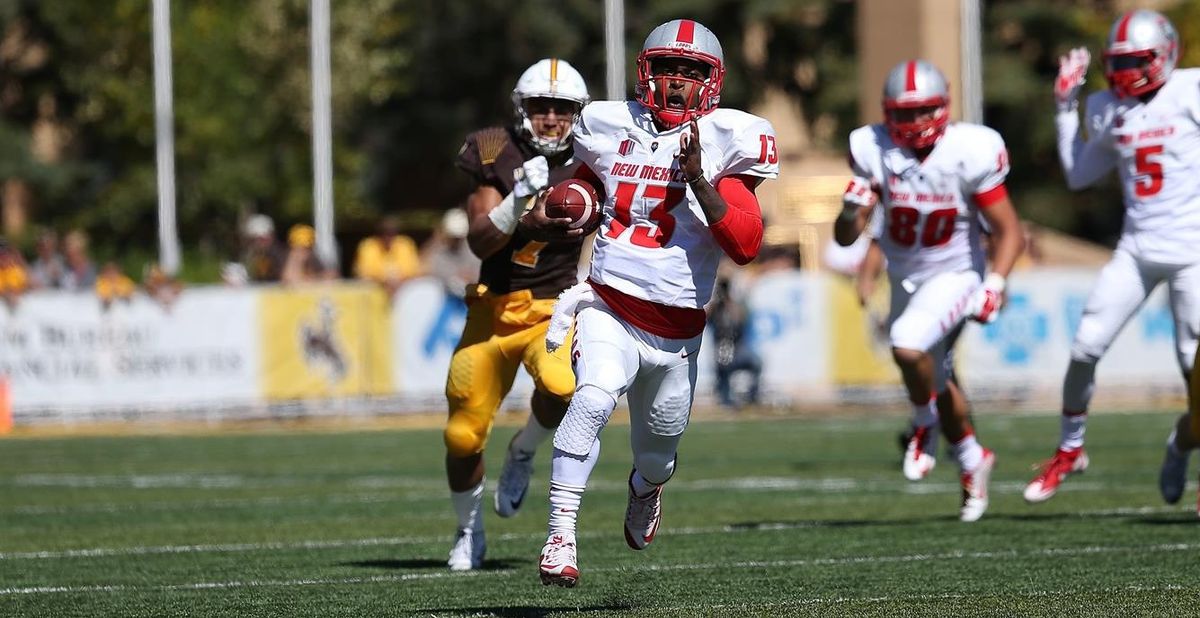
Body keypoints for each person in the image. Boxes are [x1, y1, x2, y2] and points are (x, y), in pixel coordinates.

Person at [524, 20, 778, 587]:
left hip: (677, 331)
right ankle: (560, 537)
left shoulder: (727, 139)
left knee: (657, 455)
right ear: (647, 73)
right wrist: (569, 203)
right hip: (608, 304)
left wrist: (699, 183)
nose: (678, 83)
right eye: (668, 69)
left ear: (711, 82)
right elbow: (584, 184)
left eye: (691, 73)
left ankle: (645, 488)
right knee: (590, 399)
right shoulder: (609, 123)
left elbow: (746, 243)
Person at [834, 59, 1024, 522]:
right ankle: (972, 460)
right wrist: (847, 211)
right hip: (905, 276)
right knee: (937, 376)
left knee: (906, 344)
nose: (913, 123)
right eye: (903, 113)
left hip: (957, 272)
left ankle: (922, 425)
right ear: (886, 112)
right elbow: (847, 236)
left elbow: (1008, 230)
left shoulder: (970, 148)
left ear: (943, 108)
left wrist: (995, 282)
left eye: (923, 112)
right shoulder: (871, 146)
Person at [1026, 10, 1200, 506]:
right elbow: (1081, 175)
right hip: (1138, 247)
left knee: (1195, 368)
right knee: (1085, 347)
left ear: (1167, 54)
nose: (1125, 73)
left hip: (1193, 250)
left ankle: (1181, 448)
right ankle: (1070, 449)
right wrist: (1064, 109)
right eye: (1117, 62)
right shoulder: (1105, 106)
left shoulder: (1191, 90)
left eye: (1137, 61)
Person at [441, 58, 590, 572]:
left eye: (562, 109)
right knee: (462, 434)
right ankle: (468, 531)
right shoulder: (493, 149)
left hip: (552, 303)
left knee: (562, 384)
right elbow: (481, 238)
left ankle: (524, 449)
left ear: (578, 113)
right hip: (494, 305)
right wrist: (519, 200)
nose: (551, 118)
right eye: (541, 107)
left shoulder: (595, 157)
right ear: (522, 110)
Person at [352, 215, 421, 297]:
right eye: (384, 232)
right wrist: (384, 280)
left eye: (392, 233)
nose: (388, 237)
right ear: (378, 234)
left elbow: (413, 270)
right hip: (374, 290)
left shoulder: (405, 244)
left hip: (403, 290)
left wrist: (396, 281)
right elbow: (362, 272)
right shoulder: (368, 245)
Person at [422, 207, 481, 300]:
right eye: (453, 237)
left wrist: (471, 277)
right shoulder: (439, 253)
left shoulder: (474, 250)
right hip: (448, 301)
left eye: (459, 237)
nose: (456, 240)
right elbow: (434, 273)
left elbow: (480, 273)